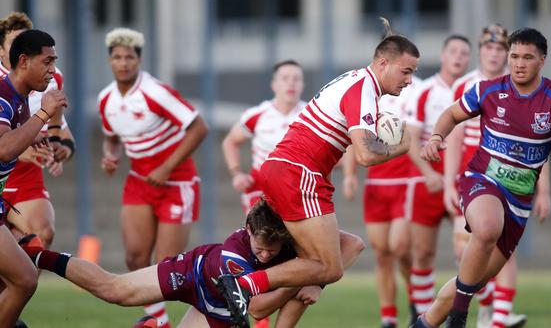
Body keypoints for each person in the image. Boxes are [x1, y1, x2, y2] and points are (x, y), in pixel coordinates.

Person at [216, 18, 415, 326]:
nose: (410, 80)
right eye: (406, 71)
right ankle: (244, 287)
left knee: (349, 247)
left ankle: (268, 297)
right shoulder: (363, 88)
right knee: (329, 267)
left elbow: (353, 142)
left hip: (284, 169)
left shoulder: (356, 80)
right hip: (299, 174)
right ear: (384, 64)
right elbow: (364, 155)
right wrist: (401, 147)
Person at [413, 28, 551, 328]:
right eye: (514, 56)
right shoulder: (487, 89)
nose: (519, 63)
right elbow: (450, 115)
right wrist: (435, 137)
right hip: (480, 180)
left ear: (542, 60)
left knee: (471, 280)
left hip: (519, 201)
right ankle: (459, 317)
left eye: (527, 57)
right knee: (486, 229)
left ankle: (425, 323)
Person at [19, 200, 348, 328]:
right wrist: (305, 276)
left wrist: (317, 278)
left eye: (271, 252)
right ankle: (38, 255)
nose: (264, 256)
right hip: (194, 273)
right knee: (113, 289)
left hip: (219, 309)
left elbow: (352, 244)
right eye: (259, 249)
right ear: (247, 230)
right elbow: (260, 308)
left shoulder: (287, 238)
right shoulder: (234, 255)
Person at [98, 28, 208, 327]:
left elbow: (199, 128)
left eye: (129, 57)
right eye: (118, 57)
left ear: (139, 60)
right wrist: (112, 155)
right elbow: (112, 138)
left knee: (167, 267)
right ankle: (159, 323)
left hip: (177, 181)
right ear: (110, 61)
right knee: (134, 257)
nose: (123, 63)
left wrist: (167, 167)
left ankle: (213, 308)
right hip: (140, 180)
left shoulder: (154, 92)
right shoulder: (106, 99)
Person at [444, 25, 550, 328]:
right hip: (475, 180)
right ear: (480, 51)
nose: (494, 53)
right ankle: (488, 307)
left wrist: (544, 191)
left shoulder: (526, 88)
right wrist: (449, 181)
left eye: (500, 49)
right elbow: (454, 133)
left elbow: (541, 145)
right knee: (465, 249)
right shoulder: (468, 85)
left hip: (511, 181)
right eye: (488, 48)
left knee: (503, 248)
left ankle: (500, 317)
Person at [341, 74, 423, 328]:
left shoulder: (418, 90)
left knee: (400, 247)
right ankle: (388, 318)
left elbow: (420, 135)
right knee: (383, 254)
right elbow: (354, 136)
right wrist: (350, 174)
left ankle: (415, 301)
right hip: (377, 185)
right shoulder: (367, 91)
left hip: (405, 183)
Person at [0, 29, 68, 328]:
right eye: (48, 61)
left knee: (22, 280)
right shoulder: (4, 96)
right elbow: (4, 148)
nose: (53, 70)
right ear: (24, 61)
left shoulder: (20, 99)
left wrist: (45, 142)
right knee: (25, 279)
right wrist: (43, 115)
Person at [404, 35, 471, 320]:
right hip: (428, 180)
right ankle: (421, 315)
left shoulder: (474, 89)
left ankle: (476, 315)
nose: (458, 57)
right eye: (453, 51)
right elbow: (409, 139)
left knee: (468, 255)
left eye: (464, 53)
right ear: (443, 55)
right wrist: (429, 173)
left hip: (465, 179)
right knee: (422, 254)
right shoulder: (424, 91)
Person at [0, 12, 75, 250]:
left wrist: (58, 148)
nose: (51, 68)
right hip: (8, 165)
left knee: (42, 234)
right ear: (3, 51)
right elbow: (6, 147)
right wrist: (23, 148)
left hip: (25, 177)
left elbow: (60, 131)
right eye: (14, 44)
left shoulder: (49, 80)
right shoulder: (6, 90)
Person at [222, 60, 306, 214]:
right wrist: (237, 173)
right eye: (285, 78)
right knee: (262, 236)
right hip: (260, 188)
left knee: (297, 238)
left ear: (302, 84)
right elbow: (230, 141)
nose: (291, 83)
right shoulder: (258, 114)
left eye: (296, 79)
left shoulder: (311, 115)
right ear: (274, 85)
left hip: (298, 188)